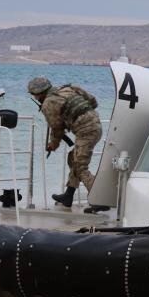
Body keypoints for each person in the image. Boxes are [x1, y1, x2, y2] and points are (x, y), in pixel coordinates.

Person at [27, 76, 106, 212]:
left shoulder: (48, 103)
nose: (35, 98)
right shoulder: (68, 88)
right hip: (96, 125)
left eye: (35, 95)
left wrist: (53, 144)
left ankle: (99, 199)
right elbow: (93, 101)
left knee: (80, 167)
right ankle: (68, 195)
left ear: (39, 93)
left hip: (86, 131)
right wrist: (80, 114)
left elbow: (57, 128)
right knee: (73, 158)